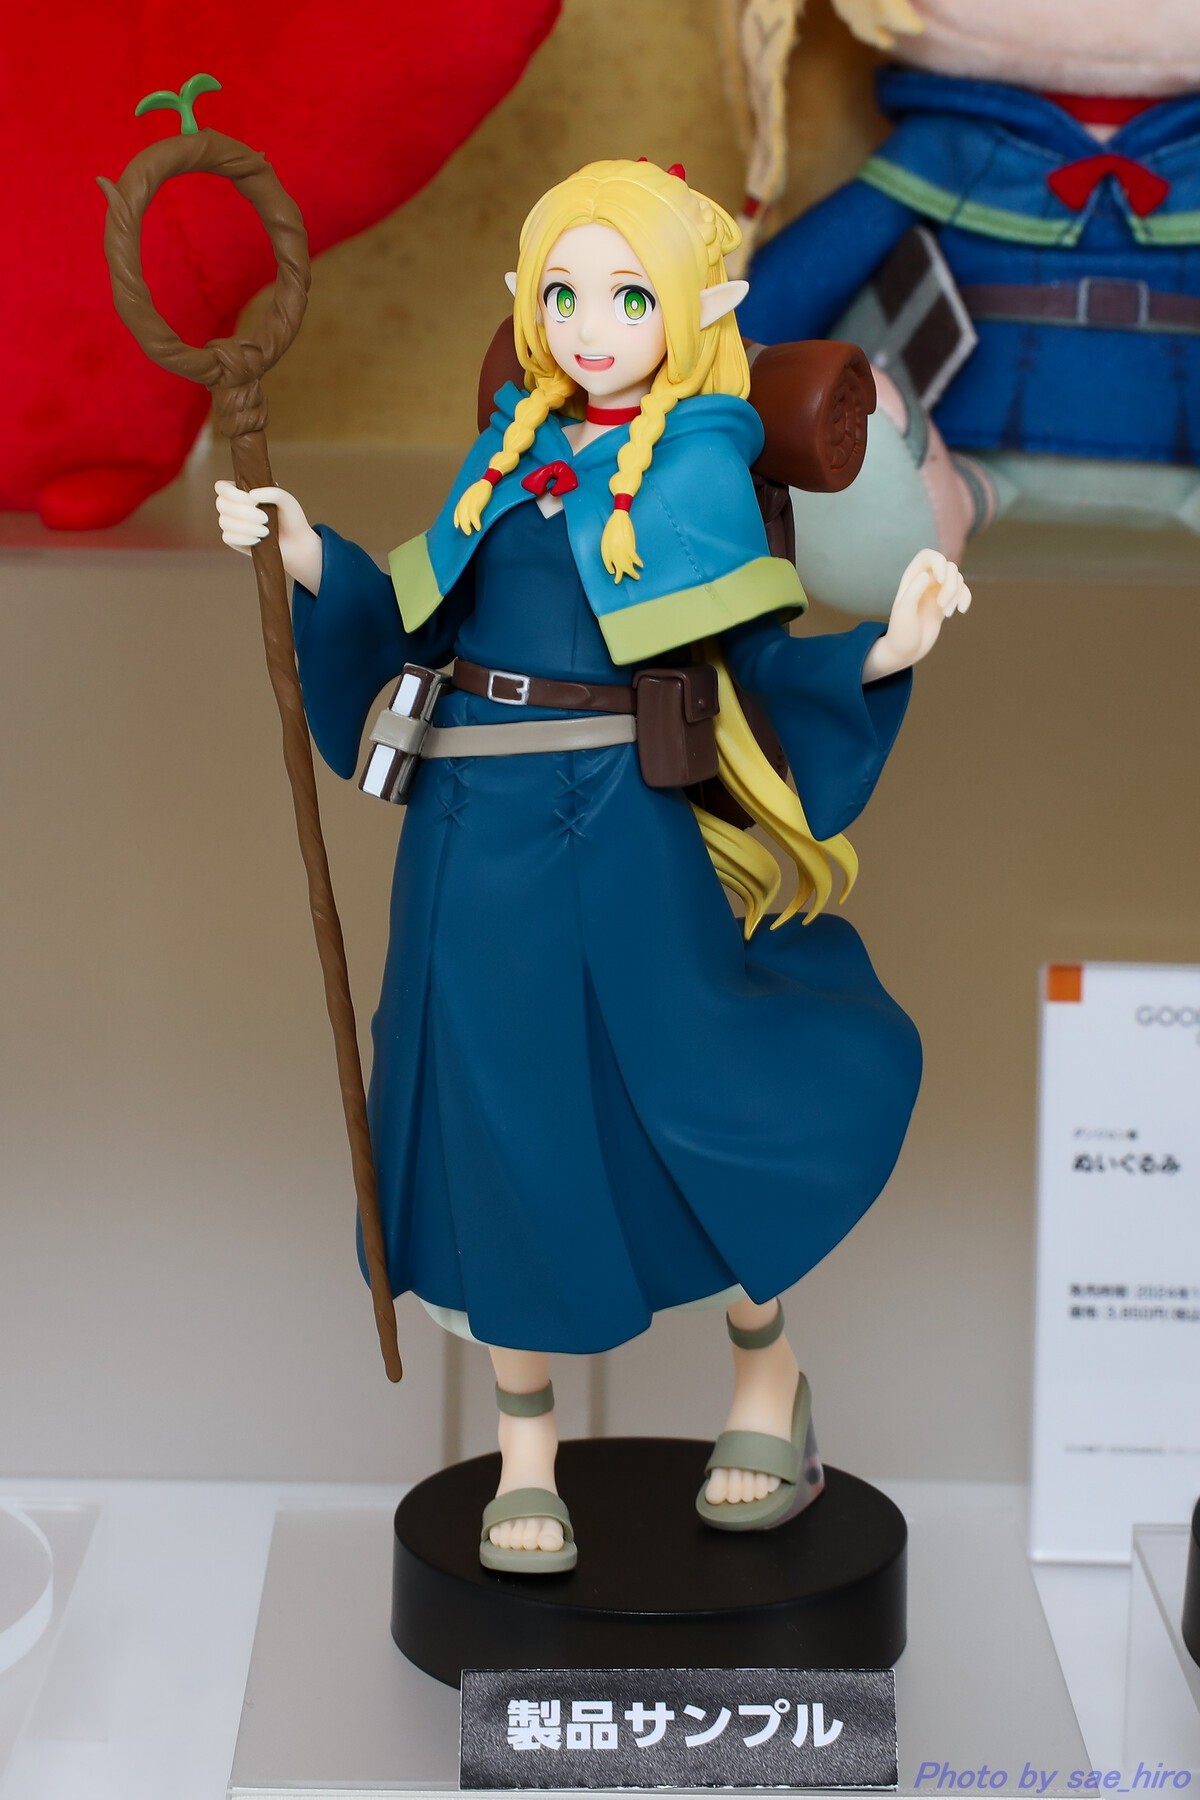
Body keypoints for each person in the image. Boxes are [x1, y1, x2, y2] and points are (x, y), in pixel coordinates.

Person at [216, 157, 970, 1574]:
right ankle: (525, 1454)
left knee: (687, 1091)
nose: (591, 324)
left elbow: (746, 666)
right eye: (562, 294)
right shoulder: (507, 454)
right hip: (468, 835)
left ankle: (766, 1376)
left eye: (630, 295)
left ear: (696, 308)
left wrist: (880, 652)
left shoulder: (699, 466)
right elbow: (419, 622)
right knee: (488, 1123)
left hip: (621, 831)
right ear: (526, 301)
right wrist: (308, 552)